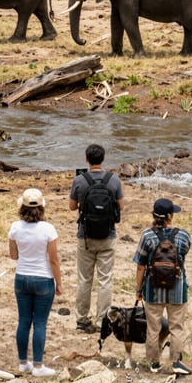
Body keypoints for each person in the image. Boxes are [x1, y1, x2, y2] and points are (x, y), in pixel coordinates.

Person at [68, 143, 125, 333]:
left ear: (87, 159)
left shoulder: (80, 180)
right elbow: (121, 206)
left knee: (84, 279)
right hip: (108, 235)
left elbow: (72, 207)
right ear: (103, 159)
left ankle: (82, 320)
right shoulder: (114, 180)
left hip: (85, 236)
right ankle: (102, 321)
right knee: (105, 280)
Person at [133, 197, 192, 375]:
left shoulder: (147, 236)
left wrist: (138, 290)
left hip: (153, 289)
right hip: (177, 289)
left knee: (153, 327)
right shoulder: (183, 235)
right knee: (177, 327)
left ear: (154, 215)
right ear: (169, 216)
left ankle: (153, 363)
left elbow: (140, 265)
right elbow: (182, 258)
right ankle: (175, 362)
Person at [8, 188, 62, 378]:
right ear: (41, 208)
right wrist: (59, 283)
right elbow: (54, 260)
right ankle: (38, 366)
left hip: (22, 277)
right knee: (40, 323)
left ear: (21, 207)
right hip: (43, 278)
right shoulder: (48, 229)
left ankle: (23, 363)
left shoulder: (15, 227)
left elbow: (13, 255)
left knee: (23, 321)